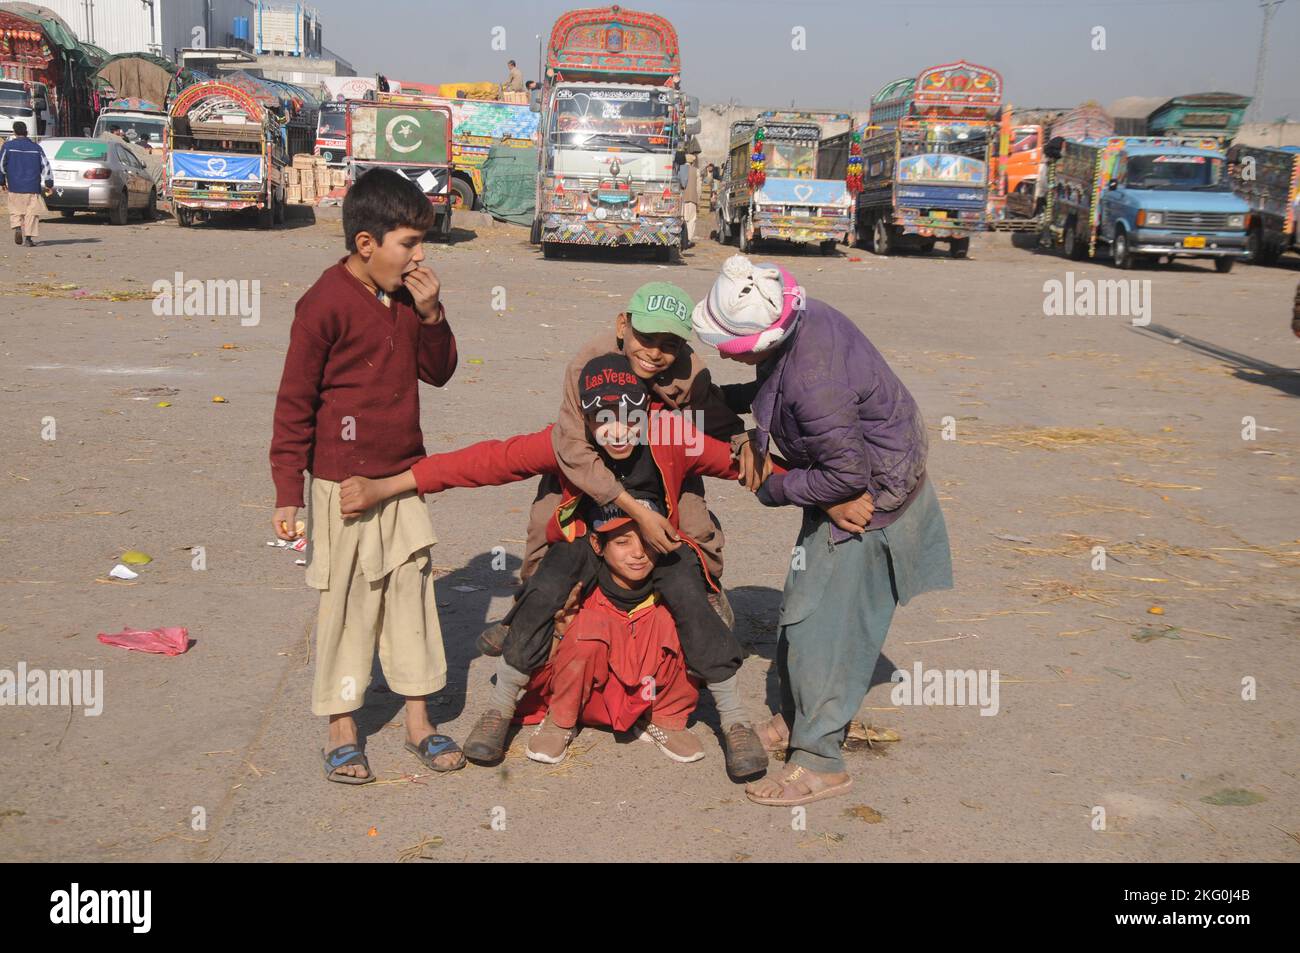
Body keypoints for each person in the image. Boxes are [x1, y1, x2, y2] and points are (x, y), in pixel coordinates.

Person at [338, 353, 785, 777]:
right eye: (603, 420)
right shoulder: (567, 443)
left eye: (631, 417)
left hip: (656, 546)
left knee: (691, 596)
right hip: (589, 544)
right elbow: (487, 461)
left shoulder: (670, 436)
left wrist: (825, 483)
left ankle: (735, 722)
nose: (618, 431)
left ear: (646, 411)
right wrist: (389, 486)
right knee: (547, 587)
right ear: (586, 419)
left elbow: (734, 465)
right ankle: (500, 708)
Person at [691, 255, 954, 807]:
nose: (720, 350)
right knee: (800, 610)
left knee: (825, 634)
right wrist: (727, 403)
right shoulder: (804, 324)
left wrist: (768, 485)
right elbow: (779, 392)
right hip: (859, 483)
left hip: (870, 504)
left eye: (729, 343)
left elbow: (844, 476)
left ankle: (821, 761)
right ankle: (793, 721)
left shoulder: (815, 382)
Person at [269, 168, 464, 785]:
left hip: (403, 479)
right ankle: (342, 727)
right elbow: (295, 401)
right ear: (366, 244)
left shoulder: (409, 300)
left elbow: (440, 373)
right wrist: (286, 491)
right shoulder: (323, 302)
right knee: (349, 607)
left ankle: (418, 722)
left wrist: (433, 316)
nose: (419, 257)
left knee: (412, 598)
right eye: (409, 244)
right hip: (341, 486)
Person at [514, 506, 704, 765]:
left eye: (647, 542)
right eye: (622, 542)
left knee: (685, 620)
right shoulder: (578, 591)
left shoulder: (672, 591)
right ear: (597, 543)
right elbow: (539, 671)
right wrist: (561, 633)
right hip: (589, 701)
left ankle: (666, 719)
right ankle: (560, 722)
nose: (638, 554)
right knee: (586, 628)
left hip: (648, 698)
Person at [0, 121, 53, 248]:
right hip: (32, 186)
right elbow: (46, 167)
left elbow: (1, 166)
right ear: (27, 132)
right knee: (31, 213)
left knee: (15, 210)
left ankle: (17, 227)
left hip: (14, 185)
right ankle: (28, 239)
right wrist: (49, 184)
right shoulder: (36, 148)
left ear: (14, 132)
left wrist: (1, 181)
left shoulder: (8, 146)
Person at [680, 152, 700, 246]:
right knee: (691, 220)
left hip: (681, 199)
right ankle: (688, 239)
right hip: (692, 198)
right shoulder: (696, 171)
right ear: (692, 162)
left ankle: (680, 237)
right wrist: (698, 199)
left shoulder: (680, 169)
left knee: (683, 218)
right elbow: (698, 188)